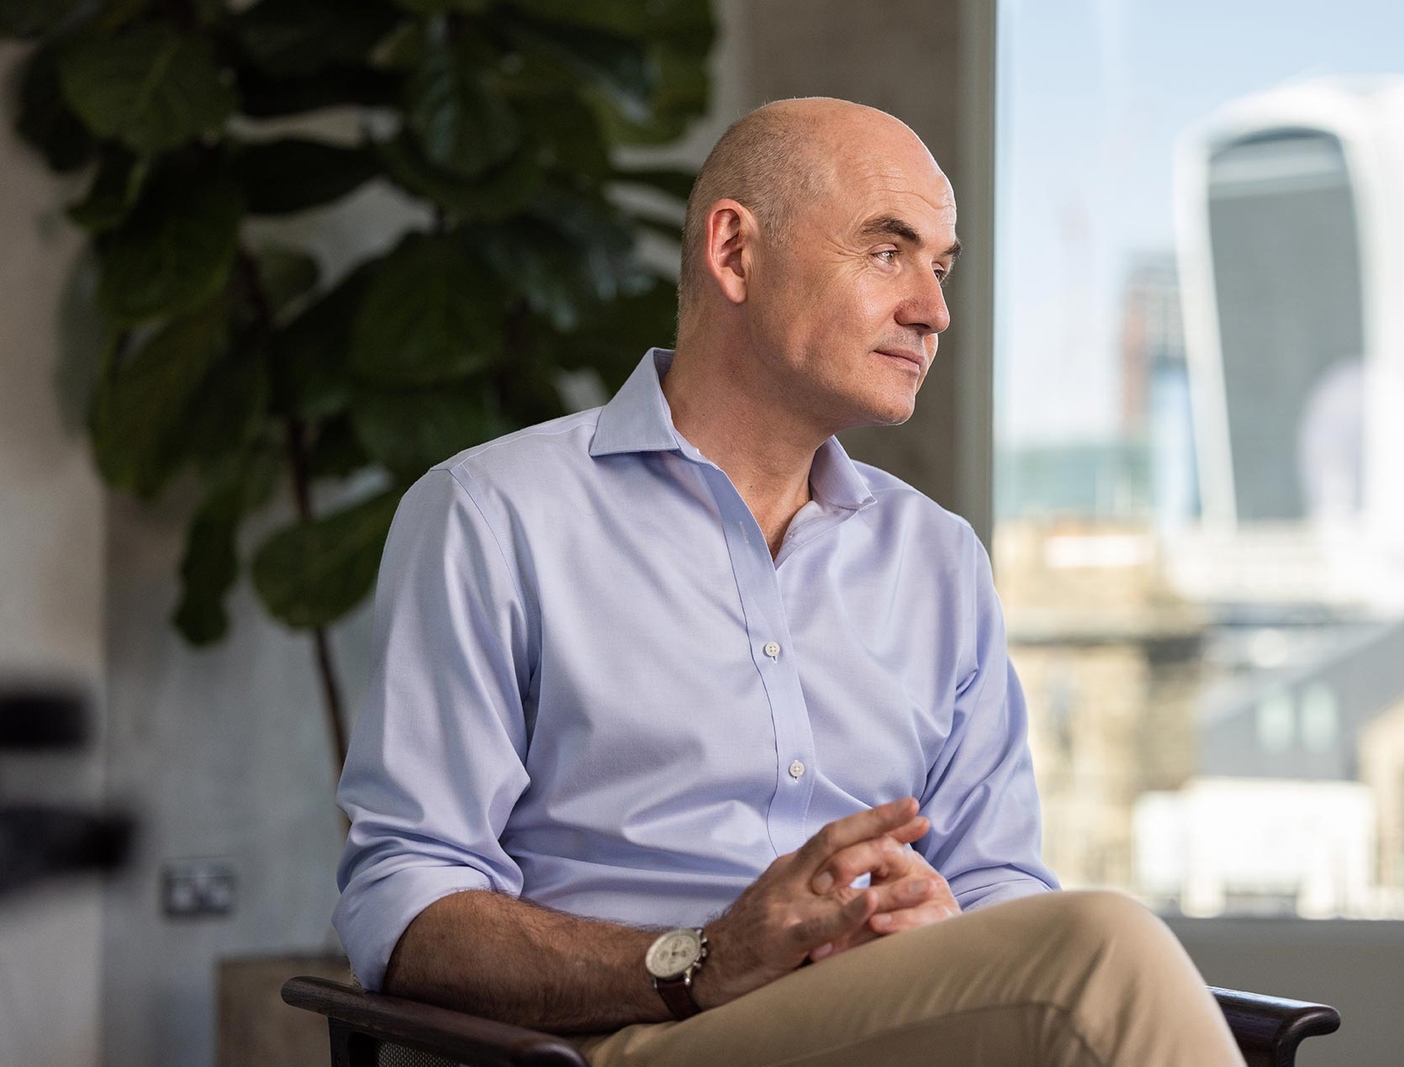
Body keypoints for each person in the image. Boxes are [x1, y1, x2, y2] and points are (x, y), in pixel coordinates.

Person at [333, 97, 1244, 1067]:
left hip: (888, 1026)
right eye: (887, 250)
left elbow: (999, 885)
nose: (933, 310)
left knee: (1080, 956)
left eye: (940, 266)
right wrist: (701, 959)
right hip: (617, 1041)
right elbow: (405, 905)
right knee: (1098, 949)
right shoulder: (492, 513)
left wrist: (948, 923)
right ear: (734, 253)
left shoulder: (937, 558)